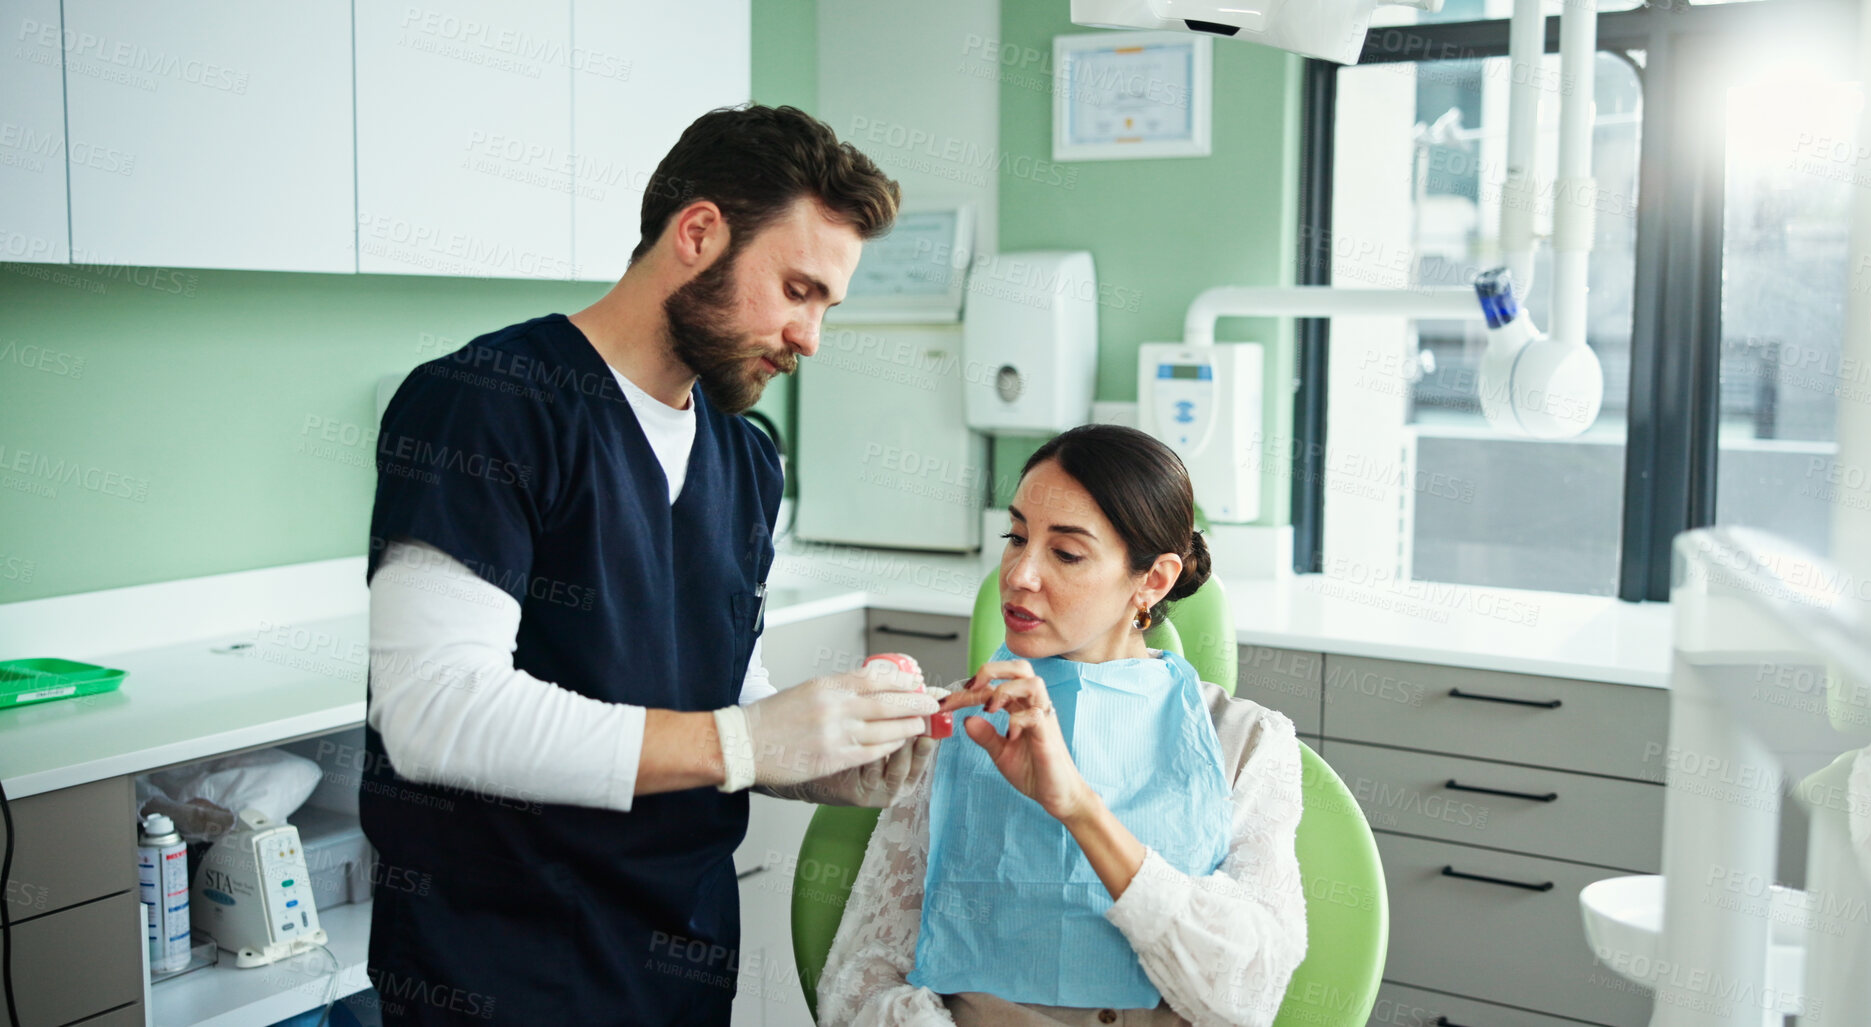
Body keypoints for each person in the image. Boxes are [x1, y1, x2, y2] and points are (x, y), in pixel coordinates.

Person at [358, 105, 940, 1026]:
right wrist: (748, 744)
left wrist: (817, 761)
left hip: (679, 963)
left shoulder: (745, 459)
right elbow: (432, 709)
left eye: (826, 304)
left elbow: (718, 689)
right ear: (699, 233)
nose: (809, 337)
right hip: (501, 970)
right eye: (796, 289)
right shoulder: (487, 404)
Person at [818, 425, 1310, 1027]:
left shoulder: (1246, 741)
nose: (1019, 575)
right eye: (1016, 536)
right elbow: (860, 979)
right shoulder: (951, 725)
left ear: (1152, 580)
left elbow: (1247, 992)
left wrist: (1078, 807)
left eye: (1067, 553)